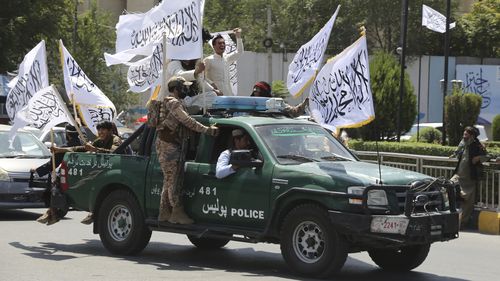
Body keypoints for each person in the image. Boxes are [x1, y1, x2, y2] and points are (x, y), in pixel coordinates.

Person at [156, 76, 219, 224]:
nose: (186, 89)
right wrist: (207, 130)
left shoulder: (176, 102)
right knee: (174, 180)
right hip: (169, 146)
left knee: (169, 180)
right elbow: (187, 121)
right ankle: (177, 212)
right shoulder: (173, 103)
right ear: (176, 89)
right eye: (183, 87)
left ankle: (164, 212)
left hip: (169, 144)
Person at [51, 120, 123, 224]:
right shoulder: (99, 141)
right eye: (99, 130)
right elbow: (81, 149)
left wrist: (95, 149)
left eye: (103, 130)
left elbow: (114, 153)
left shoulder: (116, 140)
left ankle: (94, 212)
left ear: (110, 131)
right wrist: (59, 150)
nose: (100, 132)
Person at [34, 124, 82, 225]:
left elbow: (51, 165)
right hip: (82, 176)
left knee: (54, 184)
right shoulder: (84, 145)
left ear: (67, 134)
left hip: (69, 177)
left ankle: (52, 212)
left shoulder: (64, 148)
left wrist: (37, 171)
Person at [450, 126, 488, 228]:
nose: (464, 136)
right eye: (464, 134)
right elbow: (457, 153)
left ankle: (462, 223)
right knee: (447, 189)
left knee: (468, 203)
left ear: (472, 136)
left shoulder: (478, 146)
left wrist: (479, 157)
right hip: (458, 176)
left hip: (470, 179)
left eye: (466, 134)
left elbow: (488, 156)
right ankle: (448, 219)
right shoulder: (462, 144)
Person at [204, 28, 244, 96]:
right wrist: (212, 85)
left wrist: (238, 37)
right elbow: (202, 76)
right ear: (214, 46)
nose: (222, 45)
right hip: (215, 95)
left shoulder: (227, 58)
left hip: (228, 94)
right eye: (219, 43)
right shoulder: (208, 60)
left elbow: (239, 52)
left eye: (223, 43)